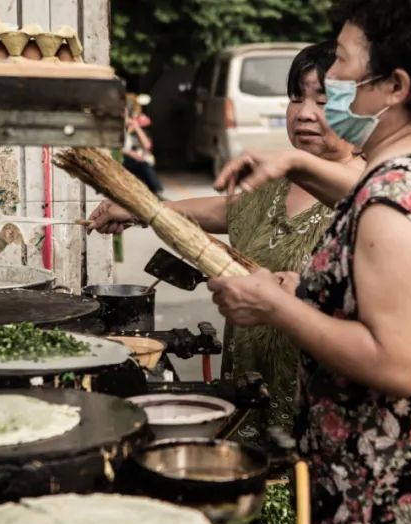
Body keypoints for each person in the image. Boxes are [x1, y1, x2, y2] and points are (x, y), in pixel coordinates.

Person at [207, 1, 411, 524]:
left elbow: (395, 363)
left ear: (394, 85)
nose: (330, 78)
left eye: (341, 60)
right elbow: (370, 191)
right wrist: (295, 163)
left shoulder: (390, 205)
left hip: (382, 509)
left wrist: (273, 305)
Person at [89, 42, 364, 448]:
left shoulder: (369, 191)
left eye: (322, 101)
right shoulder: (279, 180)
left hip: (320, 401)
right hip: (251, 385)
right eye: (296, 98)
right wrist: (142, 208)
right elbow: (230, 210)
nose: (305, 113)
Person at [121, 94, 165, 197]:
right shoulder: (113, 126)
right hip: (119, 158)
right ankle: (156, 191)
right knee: (142, 163)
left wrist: (136, 127)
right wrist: (130, 153)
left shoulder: (133, 124)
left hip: (129, 158)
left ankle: (156, 192)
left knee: (144, 162)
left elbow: (147, 145)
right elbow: (112, 148)